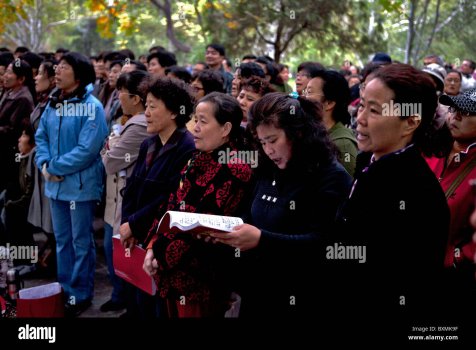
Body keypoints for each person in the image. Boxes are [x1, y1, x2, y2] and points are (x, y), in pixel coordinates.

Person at [212, 92, 352, 317]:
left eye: (273, 140)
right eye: (262, 142)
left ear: (298, 133)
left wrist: (261, 240)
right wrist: (225, 232)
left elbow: (324, 243)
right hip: (258, 292)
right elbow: (249, 215)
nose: (268, 150)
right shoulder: (268, 169)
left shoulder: (330, 176)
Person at [334, 64, 451, 326]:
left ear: (410, 122)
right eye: (362, 105)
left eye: (374, 110)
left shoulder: (413, 191)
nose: (360, 118)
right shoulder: (369, 163)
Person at [143, 92, 254, 317]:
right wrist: (151, 245)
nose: (195, 128)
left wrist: (159, 251)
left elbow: (200, 223)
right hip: (168, 269)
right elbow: (172, 202)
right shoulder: (196, 157)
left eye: (203, 122)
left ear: (225, 129)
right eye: (195, 120)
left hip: (199, 277)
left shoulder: (235, 168)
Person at [35, 52, 108, 317]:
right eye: (56, 67)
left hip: (79, 187)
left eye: (63, 67)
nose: (57, 71)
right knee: (62, 241)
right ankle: (65, 289)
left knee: (80, 241)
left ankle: (80, 294)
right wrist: (43, 162)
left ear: (78, 75)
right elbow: (41, 135)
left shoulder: (93, 107)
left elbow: (87, 150)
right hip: (55, 186)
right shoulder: (53, 103)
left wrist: (53, 167)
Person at [119, 77, 195, 318]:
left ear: (173, 112)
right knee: (140, 301)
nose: (147, 112)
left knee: (158, 307)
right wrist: (127, 222)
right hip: (139, 236)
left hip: (161, 240)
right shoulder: (148, 143)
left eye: (153, 106)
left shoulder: (187, 147)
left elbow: (170, 197)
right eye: (146, 105)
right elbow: (131, 188)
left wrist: (134, 223)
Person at [100, 70, 150, 312]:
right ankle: (121, 297)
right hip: (115, 198)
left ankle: (128, 302)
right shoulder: (126, 120)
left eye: (121, 92)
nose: (117, 96)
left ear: (136, 98)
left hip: (125, 200)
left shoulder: (139, 125)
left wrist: (109, 148)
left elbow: (110, 161)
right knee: (112, 250)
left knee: (121, 253)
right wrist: (110, 148)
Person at [425, 88, 476, 313]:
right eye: (454, 109)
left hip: (450, 282)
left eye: (466, 113)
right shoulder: (429, 151)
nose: (455, 116)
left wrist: (457, 258)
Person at [305, 70, 358, 177]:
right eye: (305, 92)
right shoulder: (312, 132)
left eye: (309, 92)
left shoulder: (343, 145)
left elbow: (347, 188)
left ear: (329, 103)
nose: (303, 98)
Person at [0, 59, 35, 192]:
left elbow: (13, 130)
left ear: (21, 79)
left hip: (10, 154)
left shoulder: (23, 99)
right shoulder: (9, 93)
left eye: (9, 72)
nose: (5, 76)